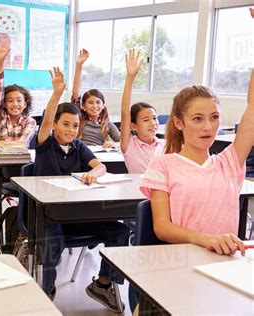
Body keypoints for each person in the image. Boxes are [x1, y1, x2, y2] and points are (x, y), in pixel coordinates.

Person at [35, 66, 129, 312]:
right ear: (54, 125)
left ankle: (103, 284)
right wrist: (57, 93)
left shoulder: (78, 146)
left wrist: (92, 173)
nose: (70, 130)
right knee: (52, 241)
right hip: (49, 216)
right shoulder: (45, 144)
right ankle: (45, 292)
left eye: (75, 126)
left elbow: (101, 167)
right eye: (65, 124)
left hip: (78, 214)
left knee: (119, 233)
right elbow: (45, 120)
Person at [140, 68, 254, 256]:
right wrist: (206, 239)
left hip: (224, 263)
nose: (208, 127)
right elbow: (162, 227)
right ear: (179, 123)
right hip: (183, 263)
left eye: (214, 117)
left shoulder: (229, 162)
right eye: (197, 119)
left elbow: (252, 110)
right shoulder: (162, 165)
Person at [120, 49, 165, 173]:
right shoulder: (129, 145)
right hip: (137, 191)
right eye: (146, 120)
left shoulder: (165, 145)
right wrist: (130, 77)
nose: (153, 123)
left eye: (154, 118)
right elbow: (125, 112)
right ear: (134, 126)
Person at [72, 49, 120, 147]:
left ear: (103, 106)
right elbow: (75, 93)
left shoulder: (108, 125)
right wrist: (79, 65)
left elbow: (124, 142)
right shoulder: (79, 118)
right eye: (90, 102)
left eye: (98, 102)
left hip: (100, 158)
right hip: (80, 156)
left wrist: (114, 144)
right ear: (83, 106)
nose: (94, 106)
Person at [0, 43, 36, 147]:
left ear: (25, 104)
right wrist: (0, 62)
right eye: (10, 101)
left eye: (19, 100)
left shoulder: (30, 121)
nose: (15, 104)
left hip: (21, 162)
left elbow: (21, 144)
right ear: (5, 104)